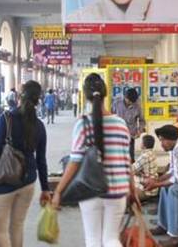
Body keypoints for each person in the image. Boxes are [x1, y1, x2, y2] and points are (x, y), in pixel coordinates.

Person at [52, 73, 137, 247]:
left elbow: (75, 161)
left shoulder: (83, 124)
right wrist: (133, 190)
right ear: (106, 94)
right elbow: (127, 161)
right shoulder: (121, 124)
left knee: (93, 239)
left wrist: (59, 191)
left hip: (90, 189)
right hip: (118, 190)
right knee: (112, 239)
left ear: (85, 95)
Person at [0, 80, 51, 247]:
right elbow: (41, 160)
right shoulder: (39, 126)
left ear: (19, 96)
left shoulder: (6, 119)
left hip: (4, 181)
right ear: (39, 100)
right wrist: (45, 188)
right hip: (28, 183)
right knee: (17, 227)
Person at [111, 88, 145, 162]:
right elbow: (111, 116)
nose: (131, 103)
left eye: (133, 102)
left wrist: (139, 130)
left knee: (130, 158)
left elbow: (142, 120)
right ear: (125, 97)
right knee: (118, 158)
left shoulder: (137, 105)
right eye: (129, 101)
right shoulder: (116, 103)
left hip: (130, 135)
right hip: (117, 135)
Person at [132, 134, 159, 200]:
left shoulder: (144, 156)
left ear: (143, 145)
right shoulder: (152, 153)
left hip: (146, 191)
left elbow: (131, 171)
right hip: (153, 189)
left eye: (141, 142)